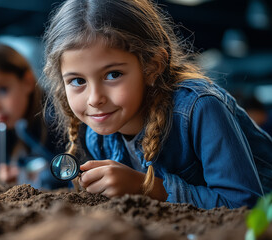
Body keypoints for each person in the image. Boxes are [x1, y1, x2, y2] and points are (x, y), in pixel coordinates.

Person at [41, 0, 272, 209]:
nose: (94, 99)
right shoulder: (97, 136)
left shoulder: (200, 108)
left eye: (113, 75)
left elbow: (245, 206)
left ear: (152, 67)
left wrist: (149, 188)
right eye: (78, 81)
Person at [0, 41, 66, 189]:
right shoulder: (12, 125)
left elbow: (70, 169)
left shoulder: (56, 119)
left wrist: (29, 176)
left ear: (27, 82)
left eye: (2, 90)